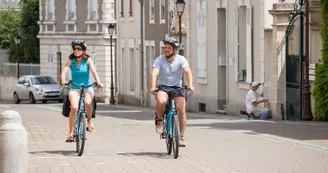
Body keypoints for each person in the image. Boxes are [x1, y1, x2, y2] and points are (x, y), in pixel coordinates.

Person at [149, 37, 195, 147]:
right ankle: (160, 120)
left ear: (174, 50)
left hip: (177, 87)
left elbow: (188, 72)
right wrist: (153, 86)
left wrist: (190, 85)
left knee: (181, 109)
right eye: (165, 48)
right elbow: (154, 73)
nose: (166, 50)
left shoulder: (181, 59)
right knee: (161, 101)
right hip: (163, 87)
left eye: (169, 48)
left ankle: (181, 137)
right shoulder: (159, 60)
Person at [60, 40, 103, 142]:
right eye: (74, 49)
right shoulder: (70, 61)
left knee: (88, 102)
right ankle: (71, 133)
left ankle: (89, 121)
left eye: (78, 49)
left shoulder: (88, 60)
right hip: (75, 87)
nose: (76, 50)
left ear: (83, 50)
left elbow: (94, 72)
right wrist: (63, 81)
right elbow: (63, 72)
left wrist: (99, 82)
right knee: (74, 107)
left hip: (87, 87)